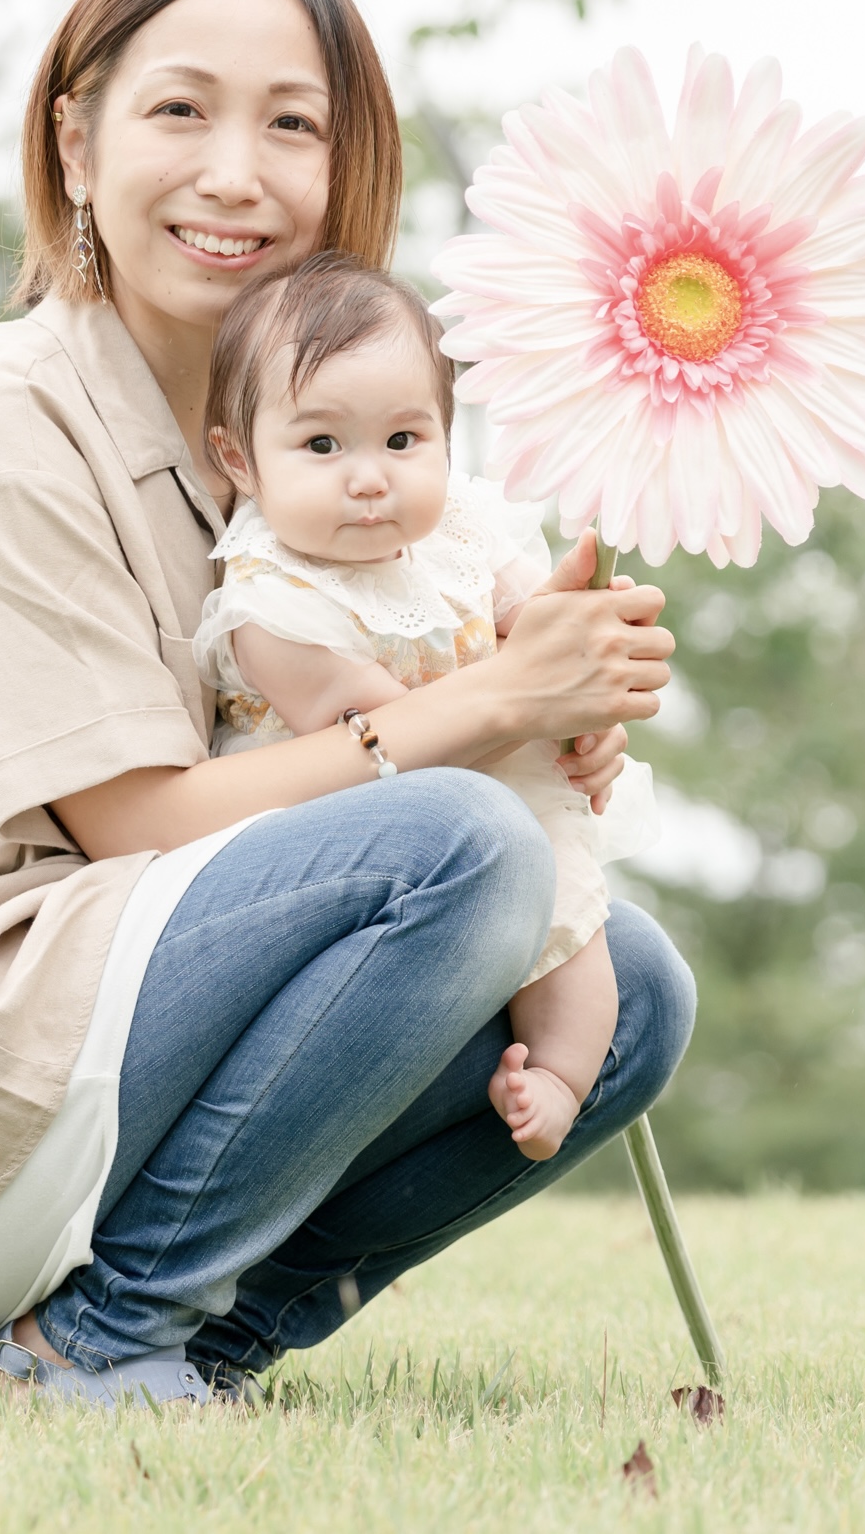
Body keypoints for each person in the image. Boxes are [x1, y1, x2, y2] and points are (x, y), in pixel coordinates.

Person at [0, 0, 691, 1410]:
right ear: (72, 141)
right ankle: (99, 1334)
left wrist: (539, 709)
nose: (235, 172)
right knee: (463, 847)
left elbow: (385, 748)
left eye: (290, 125)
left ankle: (196, 1342)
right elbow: (137, 823)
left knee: (619, 980)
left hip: (116, 1051)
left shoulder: (311, 455)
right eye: (179, 109)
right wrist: (479, 711)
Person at [192, 251, 659, 1164]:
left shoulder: (462, 532)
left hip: (502, 779)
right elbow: (385, 727)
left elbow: (534, 624)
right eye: (322, 446)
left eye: (403, 442)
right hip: (356, 837)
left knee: (578, 943)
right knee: (478, 854)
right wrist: (531, 691)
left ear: (447, 438)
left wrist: (578, 673)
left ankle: (557, 1077)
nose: (369, 478)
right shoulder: (267, 600)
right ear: (238, 457)